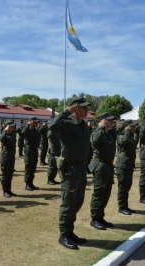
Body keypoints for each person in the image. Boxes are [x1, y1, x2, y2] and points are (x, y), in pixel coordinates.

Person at [49, 97, 91, 250]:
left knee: (77, 203)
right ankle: (63, 235)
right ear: (75, 108)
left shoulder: (84, 126)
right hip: (70, 169)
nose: (87, 110)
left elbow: (88, 147)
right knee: (68, 204)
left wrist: (88, 166)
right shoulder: (67, 124)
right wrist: (65, 112)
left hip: (81, 169)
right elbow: (52, 127)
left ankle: (70, 232)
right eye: (84, 107)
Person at [88, 112, 116, 230]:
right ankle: (94, 218)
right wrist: (100, 127)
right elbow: (93, 141)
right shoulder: (97, 132)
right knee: (99, 193)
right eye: (110, 120)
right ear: (104, 121)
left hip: (108, 167)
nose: (113, 122)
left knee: (106, 193)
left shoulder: (109, 133)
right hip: (99, 166)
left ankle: (100, 216)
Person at [115, 119, 138, 215]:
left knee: (127, 186)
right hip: (122, 165)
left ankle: (125, 205)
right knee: (123, 187)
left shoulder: (131, 137)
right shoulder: (121, 136)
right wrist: (127, 131)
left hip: (128, 165)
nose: (134, 128)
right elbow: (124, 141)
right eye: (131, 126)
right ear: (126, 127)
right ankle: (121, 207)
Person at [0, 121, 17, 197]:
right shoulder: (4, 134)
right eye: (11, 127)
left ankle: (9, 190)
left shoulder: (13, 134)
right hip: (5, 157)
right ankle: (5, 191)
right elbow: (2, 139)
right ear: (7, 127)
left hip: (11, 157)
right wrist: (5, 130)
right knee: (5, 175)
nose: (13, 128)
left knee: (10, 175)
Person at [22, 117, 40, 191]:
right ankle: (27, 184)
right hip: (29, 151)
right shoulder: (27, 130)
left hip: (35, 150)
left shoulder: (36, 131)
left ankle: (31, 183)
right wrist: (27, 125)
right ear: (31, 122)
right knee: (28, 167)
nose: (36, 123)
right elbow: (23, 133)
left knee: (33, 168)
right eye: (35, 122)